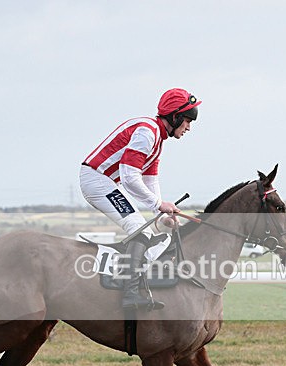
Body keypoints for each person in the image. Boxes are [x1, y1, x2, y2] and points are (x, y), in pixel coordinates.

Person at [79, 88, 201, 310]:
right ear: (174, 117)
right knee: (139, 229)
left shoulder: (158, 138)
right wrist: (158, 205)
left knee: (149, 229)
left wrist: (160, 214)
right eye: (187, 120)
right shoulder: (147, 133)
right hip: (97, 181)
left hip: (105, 181)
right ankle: (130, 293)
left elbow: (149, 179)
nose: (189, 127)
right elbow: (129, 177)